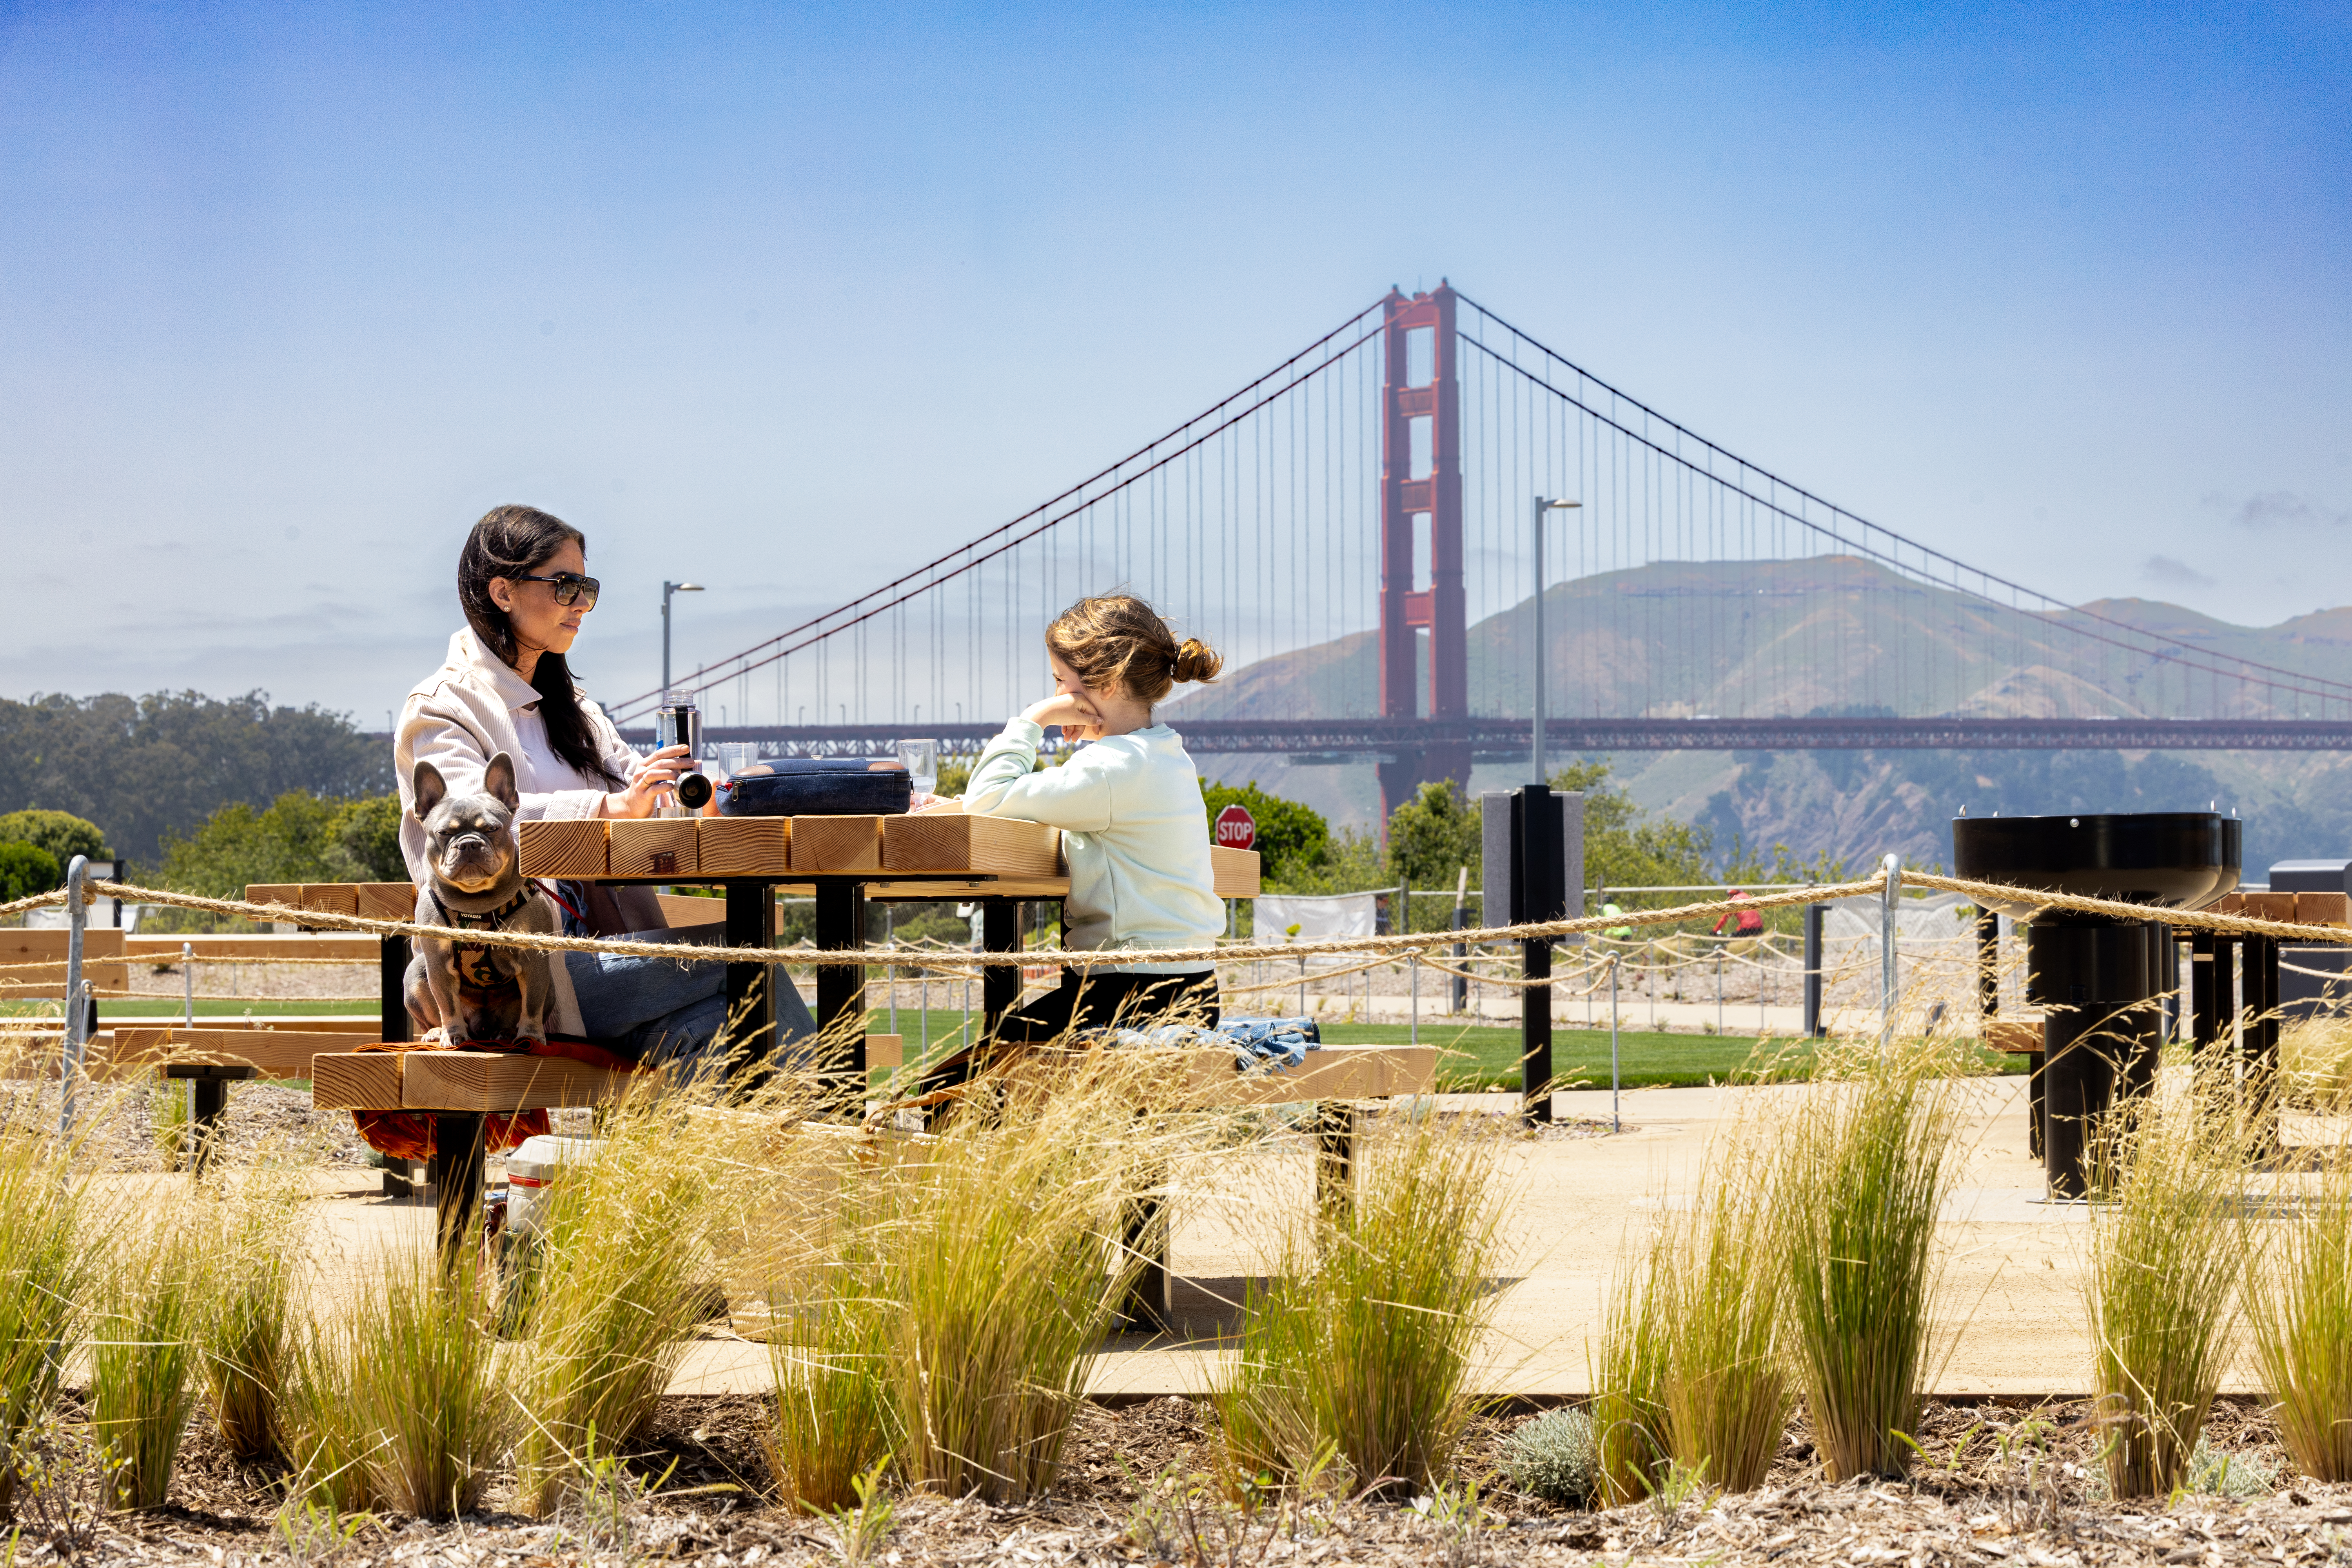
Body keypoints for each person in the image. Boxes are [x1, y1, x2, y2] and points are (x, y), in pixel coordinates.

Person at [396, 504, 817, 1070]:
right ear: (503, 592)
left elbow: (640, 795)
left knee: (716, 1030)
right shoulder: (441, 709)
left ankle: (794, 1149)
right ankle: (841, 1130)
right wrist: (609, 806)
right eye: (565, 586)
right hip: (519, 978)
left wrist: (704, 798)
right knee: (748, 960)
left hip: (605, 955)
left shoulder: (576, 713)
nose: (581, 605)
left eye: (587, 588)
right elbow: (471, 822)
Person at [949, 593, 1228, 1046]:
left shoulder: (1106, 768)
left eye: (1061, 680)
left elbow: (984, 798)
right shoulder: (1166, 754)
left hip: (1131, 994)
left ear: (1108, 681)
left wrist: (1033, 719)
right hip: (1195, 988)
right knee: (1003, 1055)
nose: (1058, 694)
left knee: (956, 1084)